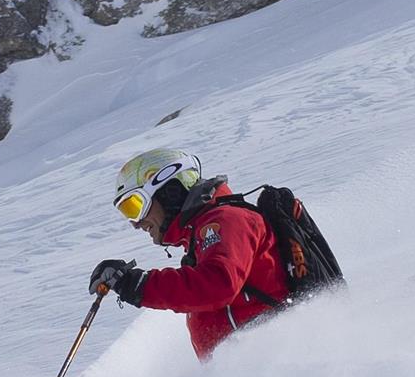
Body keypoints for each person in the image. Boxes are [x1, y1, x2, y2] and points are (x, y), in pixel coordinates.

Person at [90, 148, 289, 361]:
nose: (135, 223)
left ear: (168, 190)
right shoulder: (202, 235)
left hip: (271, 363)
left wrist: (138, 284)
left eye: (135, 206)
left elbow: (219, 284)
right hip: (252, 370)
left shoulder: (225, 221)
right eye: (127, 212)